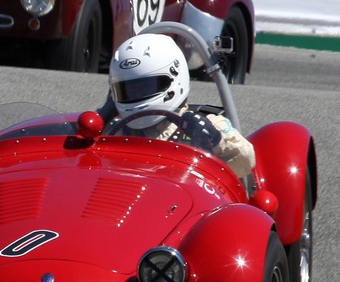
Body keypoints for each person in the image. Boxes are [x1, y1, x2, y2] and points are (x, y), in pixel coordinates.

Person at [103, 33, 255, 177]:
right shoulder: (116, 129)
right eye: (128, 90)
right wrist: (102, 116)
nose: (136, 94)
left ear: (174, 79)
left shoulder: (210, 124)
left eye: (145, 87)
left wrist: (215, 140)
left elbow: (246, 159)